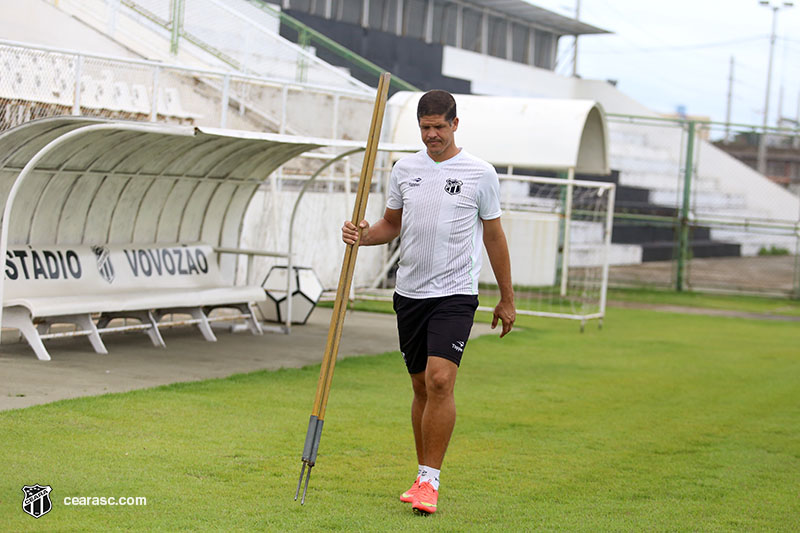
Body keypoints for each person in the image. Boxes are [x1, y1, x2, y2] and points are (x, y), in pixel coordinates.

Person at [341, 89, 515, 515]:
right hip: (410, 294)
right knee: (420, 385)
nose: (432, 134)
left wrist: (507, 298)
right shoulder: (405, 170)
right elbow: (390, 225)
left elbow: (493, 236)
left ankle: (430, 482)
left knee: (440, 381)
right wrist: (362, 236)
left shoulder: (480, 173)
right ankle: (422, 475)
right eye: (425, 127)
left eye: (439, 126)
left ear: (455, 124)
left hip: (455, 294)